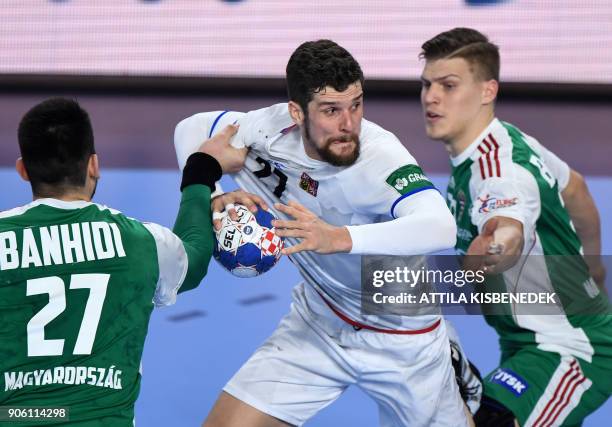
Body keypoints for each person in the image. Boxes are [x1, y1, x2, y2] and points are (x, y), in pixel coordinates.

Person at [175, 40, 471, 427]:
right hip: (319, 321)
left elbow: (441, 226)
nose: (349, 124)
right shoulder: (269, 131)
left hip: (405, 340)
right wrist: (215, 193)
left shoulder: (380, 158)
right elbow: (192, 128)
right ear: (297, 112)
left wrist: (340, 238)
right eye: (331, 110)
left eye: (357, 104)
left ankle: (459, 376)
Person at [0, 98, 246, 425]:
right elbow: (195, 257)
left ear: (23, 169)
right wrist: (201, 169)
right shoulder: (142, 242)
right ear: (93, 166)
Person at [420, 28, 612, 426]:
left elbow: (506, 228)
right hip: (523, 341)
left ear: (488, 91)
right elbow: (576, 189)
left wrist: (493, 248)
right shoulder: (505, 140)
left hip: (571, 350)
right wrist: (594, 265)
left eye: (448, 85)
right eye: (427, 84)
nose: (431, 97)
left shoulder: (499, 172)